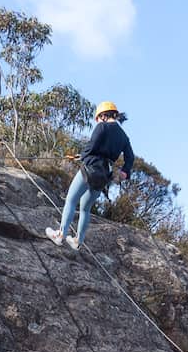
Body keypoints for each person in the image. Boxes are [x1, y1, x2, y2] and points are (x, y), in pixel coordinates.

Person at [45, 101, 134, 251]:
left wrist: (82, 156)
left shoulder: (102, 126)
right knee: (85, 208)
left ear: (103, 116)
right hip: (105, 174)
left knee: (71, 200)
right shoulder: (124, 137)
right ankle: (77, 241)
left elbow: (92, 146)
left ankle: (60, 235)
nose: (97, 121)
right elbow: (130, 158)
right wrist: (124, 172)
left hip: (90, 169)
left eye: (98, 118)